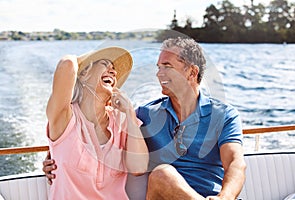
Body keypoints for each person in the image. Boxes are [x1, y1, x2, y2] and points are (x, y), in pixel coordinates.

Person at [43, 37, 246, 199]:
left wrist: (225, 197)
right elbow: (69, 137)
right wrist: (56, 151)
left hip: (213, 197)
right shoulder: (145, 115)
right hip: (162, 194)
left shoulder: (224, 115)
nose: (159, 73)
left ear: (192, 72)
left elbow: (235, 162)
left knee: (162, 174)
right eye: (158, 67)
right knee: (162, 175)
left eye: (167, 66)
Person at [45, 46, 149, 199]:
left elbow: (138, 168)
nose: (113, 72)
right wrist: (83, 62)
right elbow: (66, 64)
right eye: (105, 64)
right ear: (84, 74)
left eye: (114, 70)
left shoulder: (121, 120)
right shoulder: (65, 118)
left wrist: (130, 114)